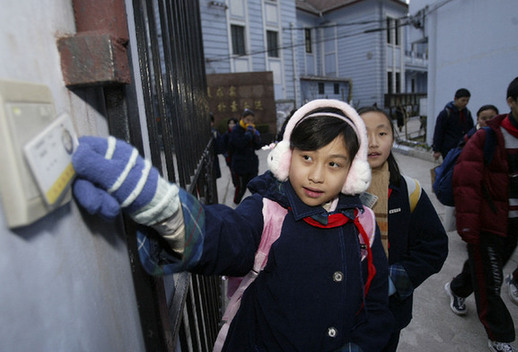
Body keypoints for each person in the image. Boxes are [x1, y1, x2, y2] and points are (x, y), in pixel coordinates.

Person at [70, 99, 394, 352]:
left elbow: (376, 303)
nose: (317, 175)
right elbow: (225, 235)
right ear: (286, 156)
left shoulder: (361, 221)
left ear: (352, 172)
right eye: (307, 157)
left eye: (334, 164)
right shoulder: (268, 212)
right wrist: (163, 206)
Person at [444, 74, 518, 352]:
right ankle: (501, 335)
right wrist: (468, 228)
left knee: (483, 272)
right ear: (512, 101)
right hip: (486, 225)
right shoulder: (487, 138)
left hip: (513, 223)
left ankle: (457, 289)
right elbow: (466, 185)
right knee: (491, 282)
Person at [359, 106, 448, 351]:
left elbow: (434, 248)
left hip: (388, 311)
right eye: (364, 134)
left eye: (382, 133)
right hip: (339, 311)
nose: (373, 143)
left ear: (393, 138)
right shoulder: (331, 187)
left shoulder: (409, 191)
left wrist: (393, 281)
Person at [229, 108, 262, 204]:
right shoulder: (236, 130)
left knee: (255, 186)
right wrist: (248, 134)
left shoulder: (252, 130)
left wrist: (256, 137)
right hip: (240, 165)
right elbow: (239, 145)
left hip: (252, 164)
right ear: (242, 118)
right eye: (248, 120)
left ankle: (256, 205)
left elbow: (258, 146)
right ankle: (236, 204)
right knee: (241, 188)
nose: (250, 122)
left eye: (252, 120)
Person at [432, 88, 474, 160]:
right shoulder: (445, 113)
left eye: (467, 100)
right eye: (463, 100)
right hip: (449, 149)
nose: (465, 103)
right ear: (455, 99)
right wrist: (436, 150)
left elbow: (471, 129)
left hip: (463, 147)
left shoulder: (467, 113)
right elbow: (439, 132)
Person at [221, 117, 238, 187]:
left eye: (233, 123)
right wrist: (226, 154)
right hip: (230, 157)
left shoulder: (239, 133)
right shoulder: (226, 135)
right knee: (233, 171)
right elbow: (222, 146)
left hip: (239, 156)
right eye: (230, 123)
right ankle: (236, 184)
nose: (232, 125)